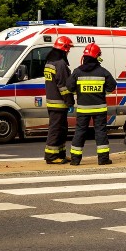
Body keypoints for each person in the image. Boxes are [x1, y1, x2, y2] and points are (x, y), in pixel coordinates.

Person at [67, 43, 116, 166]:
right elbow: (112, 86)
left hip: (83, 109)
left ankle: (75, 160)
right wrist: (102, 93)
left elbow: (69, 87)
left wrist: (78, 93)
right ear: (97, 56)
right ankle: (103, 159)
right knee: (100, 132)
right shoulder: (103, 72)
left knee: (80, 132)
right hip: (99, 108)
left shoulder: (77, 72)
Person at [43, 36, 74, 164]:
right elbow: (63, 86)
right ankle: (51, 156)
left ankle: (60, 154)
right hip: (59, 103)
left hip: (52, 101)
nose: (69, 52)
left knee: (61, 130)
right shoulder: (60, 64)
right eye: (68, 49)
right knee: (56, 130)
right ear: (64, 48)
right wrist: (70, 101)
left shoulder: (49, 62)